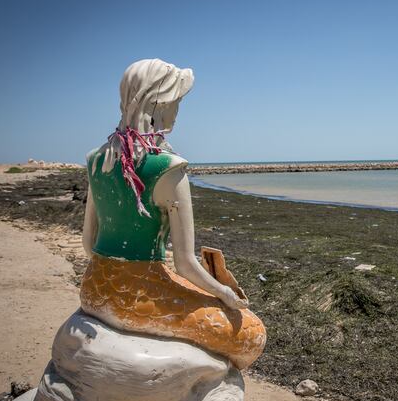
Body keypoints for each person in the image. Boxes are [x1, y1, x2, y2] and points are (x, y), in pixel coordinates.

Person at [79, 58, 265, 370]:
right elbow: (185, 263)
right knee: (251, 333)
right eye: (177, 101)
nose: (178, 110)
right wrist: (226, 294)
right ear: (161, 103)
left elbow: (89, 243)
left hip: (94, 287)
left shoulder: (96, 159)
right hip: (138, 296)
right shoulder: (168, 168)